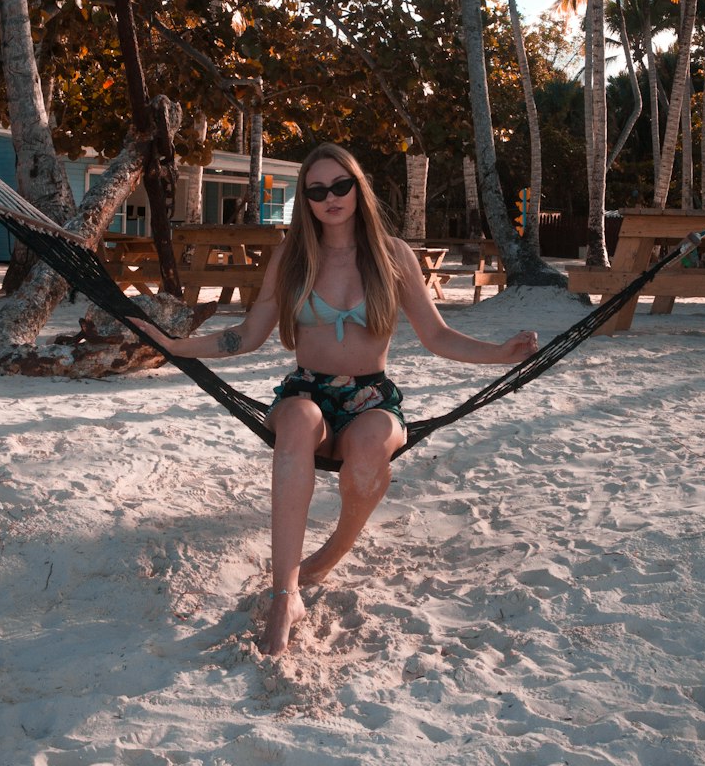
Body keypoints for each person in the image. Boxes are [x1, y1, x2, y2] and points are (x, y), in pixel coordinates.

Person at [130, 143, 537, 658]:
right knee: (297, 423)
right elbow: (248, 335)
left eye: (340, 185)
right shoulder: (293, 256)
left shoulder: (393, 255)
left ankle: (330, 553)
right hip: (307, 390)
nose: (330, 198)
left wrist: (500, 354)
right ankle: (285, 596)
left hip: (372, 397)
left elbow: (438, 336)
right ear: (306, 199)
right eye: (317, 190)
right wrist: (174, 347)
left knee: (370, 449)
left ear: (358, 187)